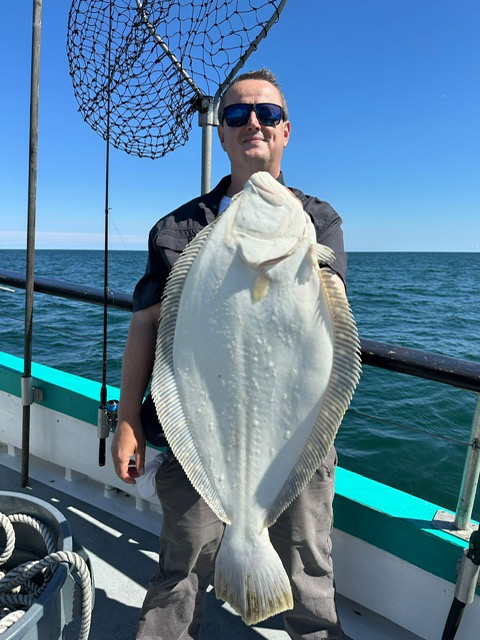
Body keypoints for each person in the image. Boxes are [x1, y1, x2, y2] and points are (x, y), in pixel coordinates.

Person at [111, 68, 350, 640]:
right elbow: (147, 326)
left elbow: (332, 320)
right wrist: (126, 419)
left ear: (286, 131)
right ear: (221, 134)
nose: (254, 124)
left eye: (267, 114)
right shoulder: (177, 229)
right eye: (237, 114)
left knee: (308, 565)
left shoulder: (319, 221)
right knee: (183, 562)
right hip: (197, 424)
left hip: (293, 430)